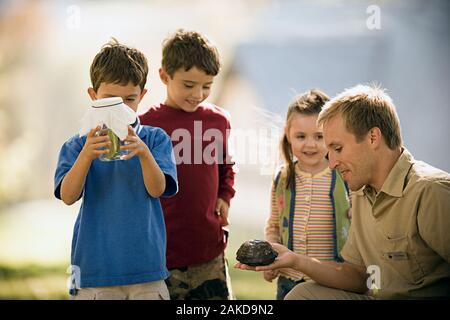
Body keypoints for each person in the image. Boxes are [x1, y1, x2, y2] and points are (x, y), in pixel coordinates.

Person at [236, 84, 450, 299]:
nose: (331, 163)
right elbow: (357, 276)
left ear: (373, 138)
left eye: (337, 149)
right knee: (301, 295)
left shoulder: (431, 191)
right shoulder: (360, 193)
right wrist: (295, 260)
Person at [54, 39, 178, 300]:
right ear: (93, 96)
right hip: (94, 269)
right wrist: (87, 155)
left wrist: (144, 153)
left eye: (129, 100)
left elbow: (157, 190)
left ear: (142, 96)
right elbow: (67, 196)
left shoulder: (155, 140)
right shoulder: (76, 145)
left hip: (146, 268)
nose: (120, 109)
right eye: (110, 100)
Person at [139, 29, 236, 300]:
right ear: (164, 76)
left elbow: (226, 167)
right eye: (189, 85)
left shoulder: (218, 121)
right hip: (163, 254)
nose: (198, 94)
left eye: (207, 85)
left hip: (209, 250)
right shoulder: (146, 125)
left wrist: (225, 196)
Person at [264, 89, 351, 300]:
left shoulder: (343, 177)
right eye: (301, 136)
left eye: (319, 137)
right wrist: (270, 255)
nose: (310, 144)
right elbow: (274, 225)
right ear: (288, 133)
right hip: (288, 281)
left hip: (330, 280)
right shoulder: (283, 178)